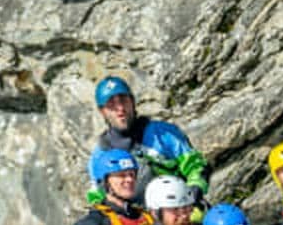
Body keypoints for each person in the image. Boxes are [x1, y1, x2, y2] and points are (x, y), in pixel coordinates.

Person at [88, 75, 210, 213]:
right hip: (136, 222)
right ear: (102, 111)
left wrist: (194, 190)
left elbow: (197, 166)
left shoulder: (164, 134)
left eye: (123, 100)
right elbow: (97, 197)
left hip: (182, 209)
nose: (120, 108)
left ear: (132, 102)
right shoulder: (100, 156)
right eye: (111, 104)